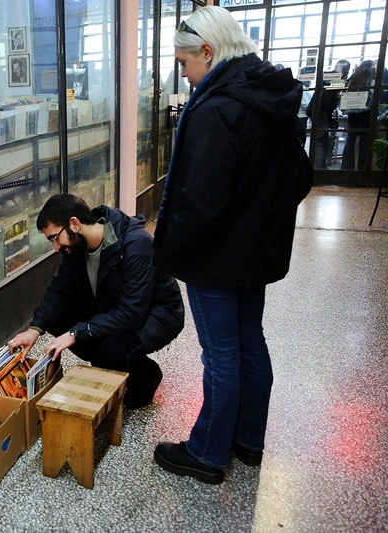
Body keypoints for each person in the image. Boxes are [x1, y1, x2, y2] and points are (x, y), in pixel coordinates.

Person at [152, 6, 312, 484]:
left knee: (220, 353)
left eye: (184, 63)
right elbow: (299, 177)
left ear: (208, 50)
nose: (183, 73)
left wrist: (171, 252)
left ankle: (206, 453)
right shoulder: (269, 97)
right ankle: (248, 441)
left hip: (216, 259)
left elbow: (200, 201)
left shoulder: (217, 106)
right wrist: (257, 217)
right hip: (255, 253)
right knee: (248, 344)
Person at [7, 193, 185, 409]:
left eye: (55, 238)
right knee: (54, 318)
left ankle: (147, 375)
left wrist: (77, 333)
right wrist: (34, 329)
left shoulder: (136, 244)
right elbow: (59, 289)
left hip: (157, 313)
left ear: (74, 223)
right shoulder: (77, 247)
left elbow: (132, 313)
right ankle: (105, 361)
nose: (55, 247)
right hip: (113, 305)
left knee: (111, 350)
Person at [308, 59, 350, 168]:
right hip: (320, 113)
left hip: (318, 112)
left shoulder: (328, 77)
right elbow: (326, 102)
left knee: (321, 141)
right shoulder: (335, 80)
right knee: (321, 142)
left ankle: (319, 166)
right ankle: (318, 168)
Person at [341, 60, 377, 170]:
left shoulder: (352, 80)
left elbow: (343, 97)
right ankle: (361, 169)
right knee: (364, 143)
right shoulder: (371, 82)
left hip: (352, 115)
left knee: (350, 140)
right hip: (366, 115)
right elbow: (371, 101)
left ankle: (346, 168)